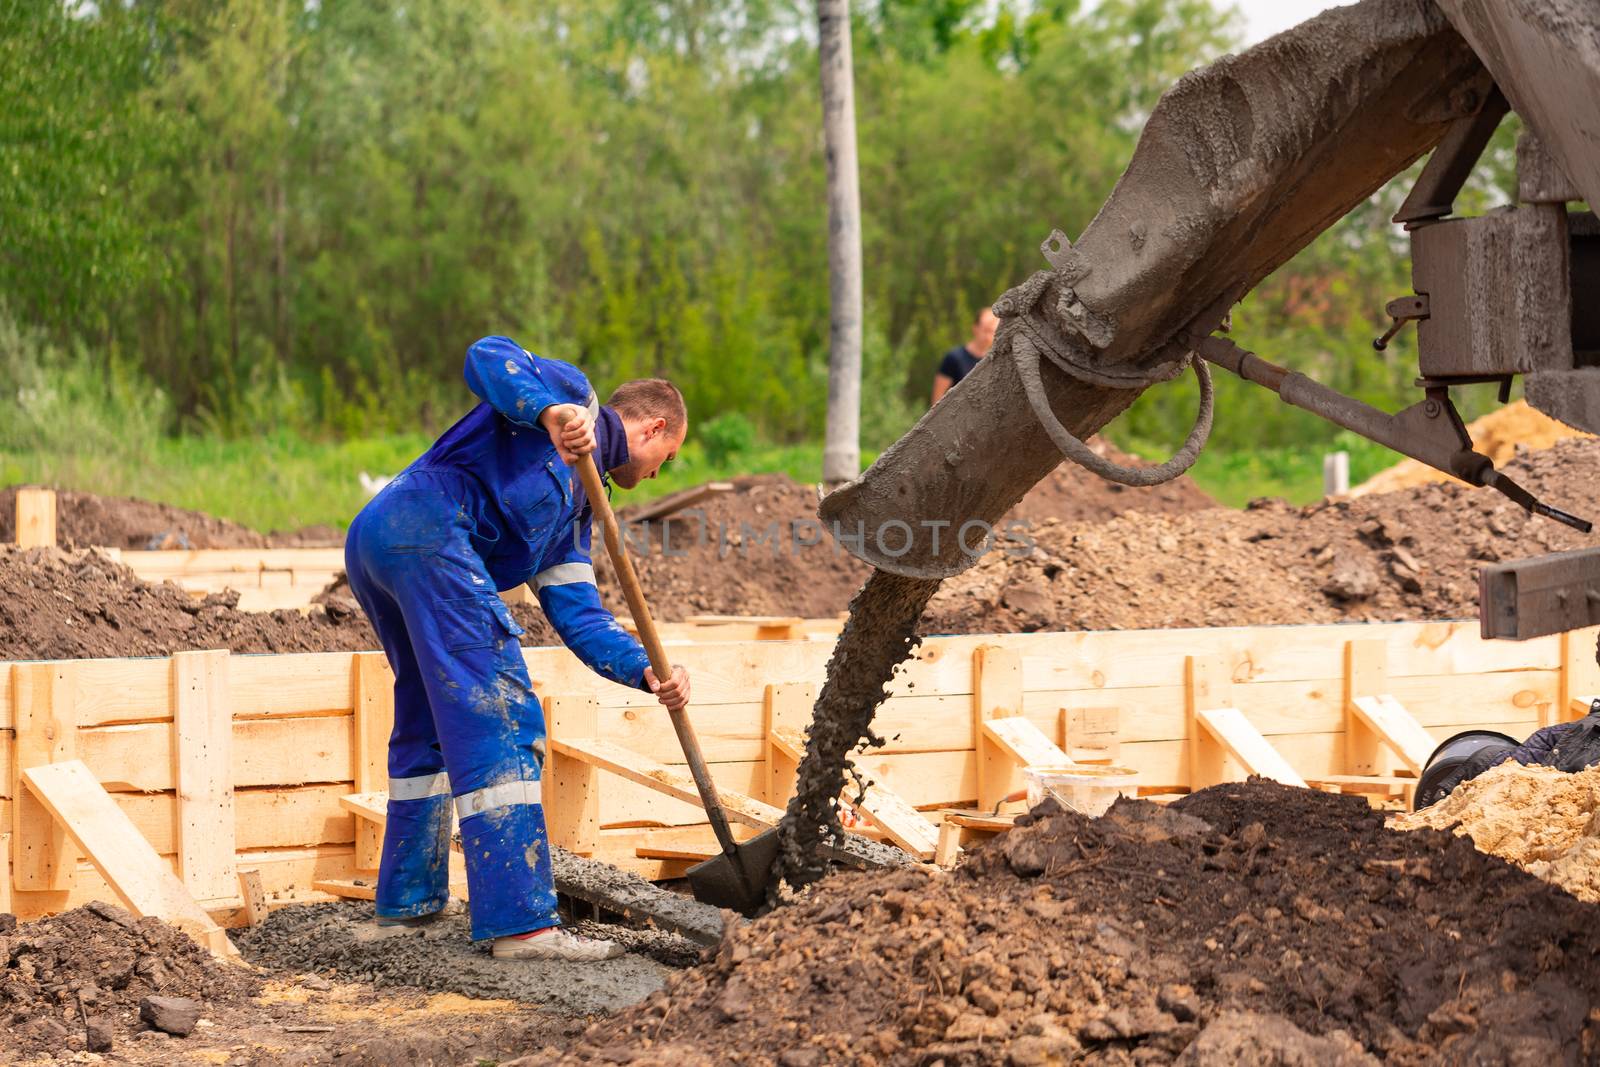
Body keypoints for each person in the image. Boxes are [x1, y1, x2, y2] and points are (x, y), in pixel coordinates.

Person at [343, 335, 691, 962]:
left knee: (428, 717)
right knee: (502, 713)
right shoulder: (568, 394)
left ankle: (408, 906)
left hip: (385, 544)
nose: (657, 475)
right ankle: (522, 925)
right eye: (665, 458)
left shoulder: (577, 514)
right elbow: (485, 353)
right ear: (653, 427)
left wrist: (647, 670)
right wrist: (550, 413)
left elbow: (580, 620)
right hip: (423, 529)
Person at [931, 307, 999, 405]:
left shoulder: (995, 362)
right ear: (975, 328)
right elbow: (937, 399)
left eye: (992, 332)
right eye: (985, 330)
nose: (988, 336)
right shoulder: (953, 358)